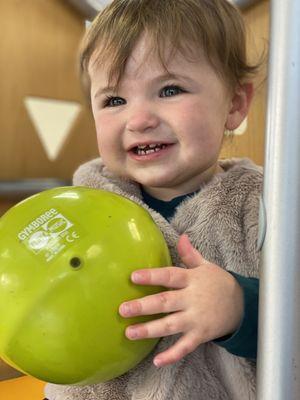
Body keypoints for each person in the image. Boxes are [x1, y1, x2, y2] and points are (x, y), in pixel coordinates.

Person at [1, 0, 262, 398]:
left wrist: (240, 308)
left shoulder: (262, 209)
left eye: (169, 89)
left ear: (235, 103)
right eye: (114, 101)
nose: (139, 120)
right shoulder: (75, 208)